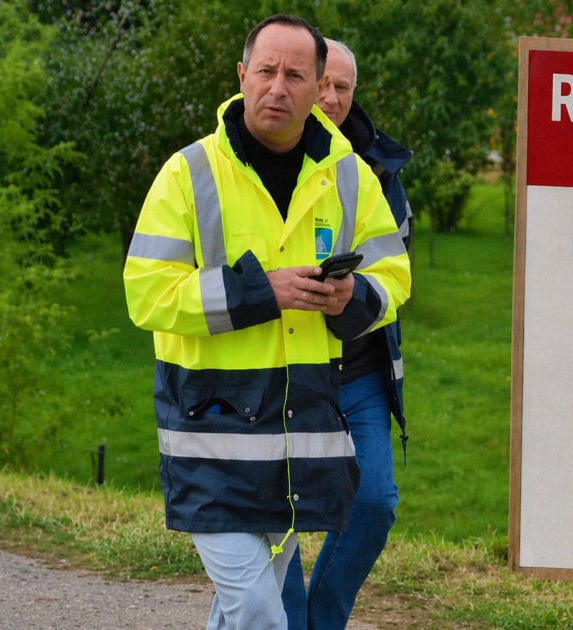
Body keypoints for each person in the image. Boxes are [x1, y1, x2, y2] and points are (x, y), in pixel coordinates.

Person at [122, 15, 411, 630]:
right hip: (212, 435)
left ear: (318, 90)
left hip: (295, 441)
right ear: (242, 77)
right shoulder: (188, 173)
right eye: (266, 72)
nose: (278, 88)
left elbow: (395, 279)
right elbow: (146, 294)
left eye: (295, 76)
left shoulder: (351, 177)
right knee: (259, 612)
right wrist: (262, 292)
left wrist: (353, 297)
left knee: (244, 613)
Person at [282, 38, 415, 630]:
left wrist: (352, 296)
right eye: (324, 84)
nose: (331, 98)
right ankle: (280, 619)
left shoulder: (379, 171)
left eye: (343, 88)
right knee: (271, 508)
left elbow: (396, 273)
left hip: (358, 368)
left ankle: (320, 620)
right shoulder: (266, 153)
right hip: (279, 363)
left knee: (374, 501)